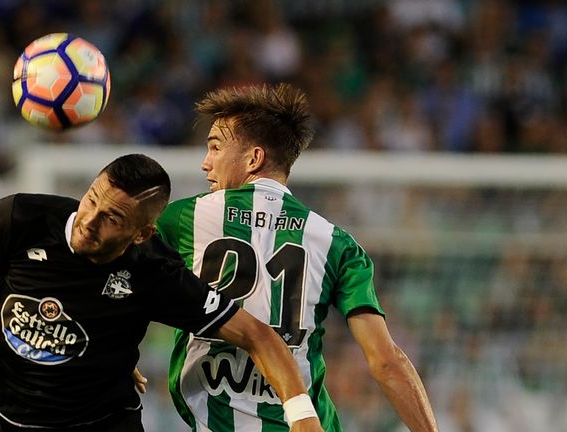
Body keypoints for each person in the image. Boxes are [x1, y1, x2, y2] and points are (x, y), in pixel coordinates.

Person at [0, 154, 324, 432]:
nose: (89, 221)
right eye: (92, 199)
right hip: (14, 424)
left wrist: (302, 414)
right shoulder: (16, 218)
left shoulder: (153, 272)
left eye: (112, 218)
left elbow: (256, 334)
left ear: (142, 234)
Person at [153, 84, 439, 431]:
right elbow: (385, 361)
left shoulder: (183, 219)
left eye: (215, 147)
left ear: (253, 158)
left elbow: (120, 280)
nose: (205, 162)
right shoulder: (336, 243)